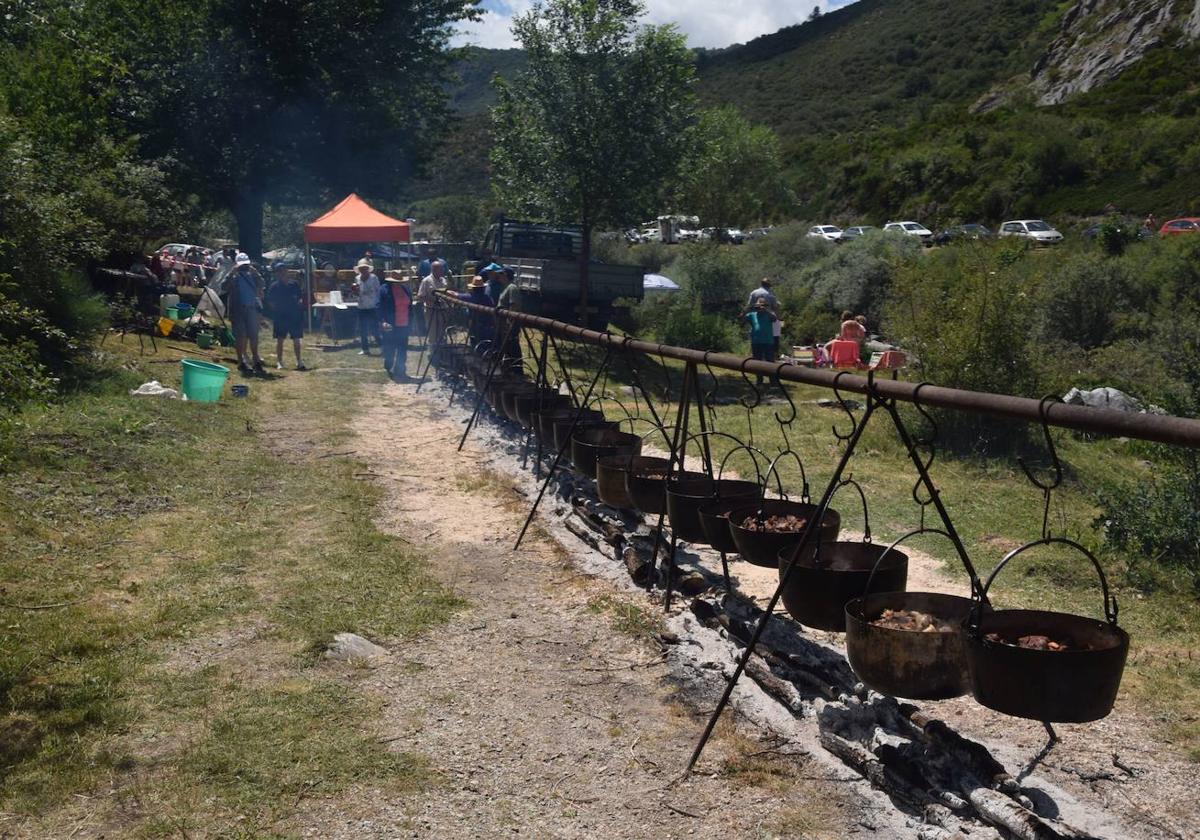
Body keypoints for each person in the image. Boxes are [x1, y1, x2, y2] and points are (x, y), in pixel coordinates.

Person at [228, 252, 266, 374]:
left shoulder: (253, 276)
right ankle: (241, 362)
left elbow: (262, 283)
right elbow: (224, 287)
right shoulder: (234, 277)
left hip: (251, 309)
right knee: (241, 336)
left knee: (254, 336)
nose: (244, 267)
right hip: (238, 310)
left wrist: (255, 272)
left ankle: (256, 360)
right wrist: (231, 273)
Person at [266, 263, 306, 370]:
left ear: (287, 271)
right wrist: (278, 309)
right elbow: (270, 301)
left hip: (294, 315)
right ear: (277, 273)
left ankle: (299, 361)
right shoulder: (274, 286)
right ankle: (279, 362)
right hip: (281, 316)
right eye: (279, 271)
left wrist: (299, 303)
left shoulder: (294, 284)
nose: (282, 273)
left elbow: (300, 297)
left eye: (283, 270)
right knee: (280, 340)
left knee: (297, 339)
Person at [380, 272, 414, 382]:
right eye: (396, 282)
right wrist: (382, 321)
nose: (398, 284)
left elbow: (410, 307)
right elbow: (379, 306)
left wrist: (411, 323)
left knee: (402, 349)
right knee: (390, 349)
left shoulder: (406, 290)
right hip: (390, 324)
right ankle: (388, 364)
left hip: (404, 324)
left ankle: (400, 371)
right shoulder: (384, 290)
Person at [742, 299, 777, 384]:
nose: (760, 307)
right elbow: (742, 318)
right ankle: (759, 380)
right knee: (757, 361)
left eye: (762, 305)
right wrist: (748, 308)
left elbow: (774, 319)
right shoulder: (752, 315)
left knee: (770, 361)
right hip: (756, 341)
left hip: (768, 341)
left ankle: (772, 380)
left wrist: (765, 310)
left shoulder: (769, 314)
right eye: (758, 305)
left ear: (765, 306)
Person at [354, 258, 382, 355]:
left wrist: (379, 304)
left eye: (365, 268)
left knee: (375, 329)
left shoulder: (374, 278)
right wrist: (354, 291)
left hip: (372, 306)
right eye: (361, 268)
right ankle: (365, 349)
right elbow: (356, 293)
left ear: (368, 269)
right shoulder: (357, 278)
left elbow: (378, 291)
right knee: (363, 329)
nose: (363, 270)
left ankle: (383, 347)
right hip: (362, 306)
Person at [457, 275, 495, 345]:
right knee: (485, 345)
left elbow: (455, 295)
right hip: (487, 327)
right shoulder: (488, 298)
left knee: (475, 344)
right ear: (483, 288)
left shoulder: (470, 297)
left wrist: (445, 291)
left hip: (475, 326)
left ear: (473, 288)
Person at [415, 258, 448, 336]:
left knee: (442, 331)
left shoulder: (443, 280)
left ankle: (442, 346)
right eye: (440, 269)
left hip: (443, 309)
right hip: (431, 310)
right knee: (432, 331)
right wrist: (433, 300)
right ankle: (432, 347)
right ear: (434, 269)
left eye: (442, 269)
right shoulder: (426, 281)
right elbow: (420, 296)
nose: (442, 271)